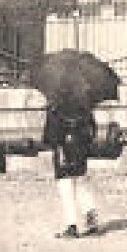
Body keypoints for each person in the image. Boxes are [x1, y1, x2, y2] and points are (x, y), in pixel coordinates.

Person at [42, 101, 101, 239]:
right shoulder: (84, 106)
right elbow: (92, 129)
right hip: (79, 150)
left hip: (63, 152)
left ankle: (71, 225)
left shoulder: (55, 108)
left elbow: (49, 136)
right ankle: (90, 218)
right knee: (81, 183)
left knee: (66, 188)